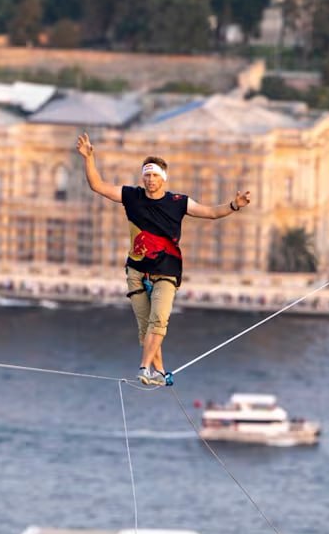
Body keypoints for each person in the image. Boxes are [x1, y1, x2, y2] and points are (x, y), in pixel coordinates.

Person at [76, 132, 250, 386]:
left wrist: (233, 205)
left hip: (167, 269)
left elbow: (211, 213)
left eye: (155, 175)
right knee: (145, 328)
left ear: (164, 178)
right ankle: (158, 371)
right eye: (146, 174)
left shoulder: (178, 202)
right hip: (136, 270)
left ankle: (144, 368)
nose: (150, 179)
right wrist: (89, 158)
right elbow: (98, 186)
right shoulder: (131, 196)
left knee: (159, 320)